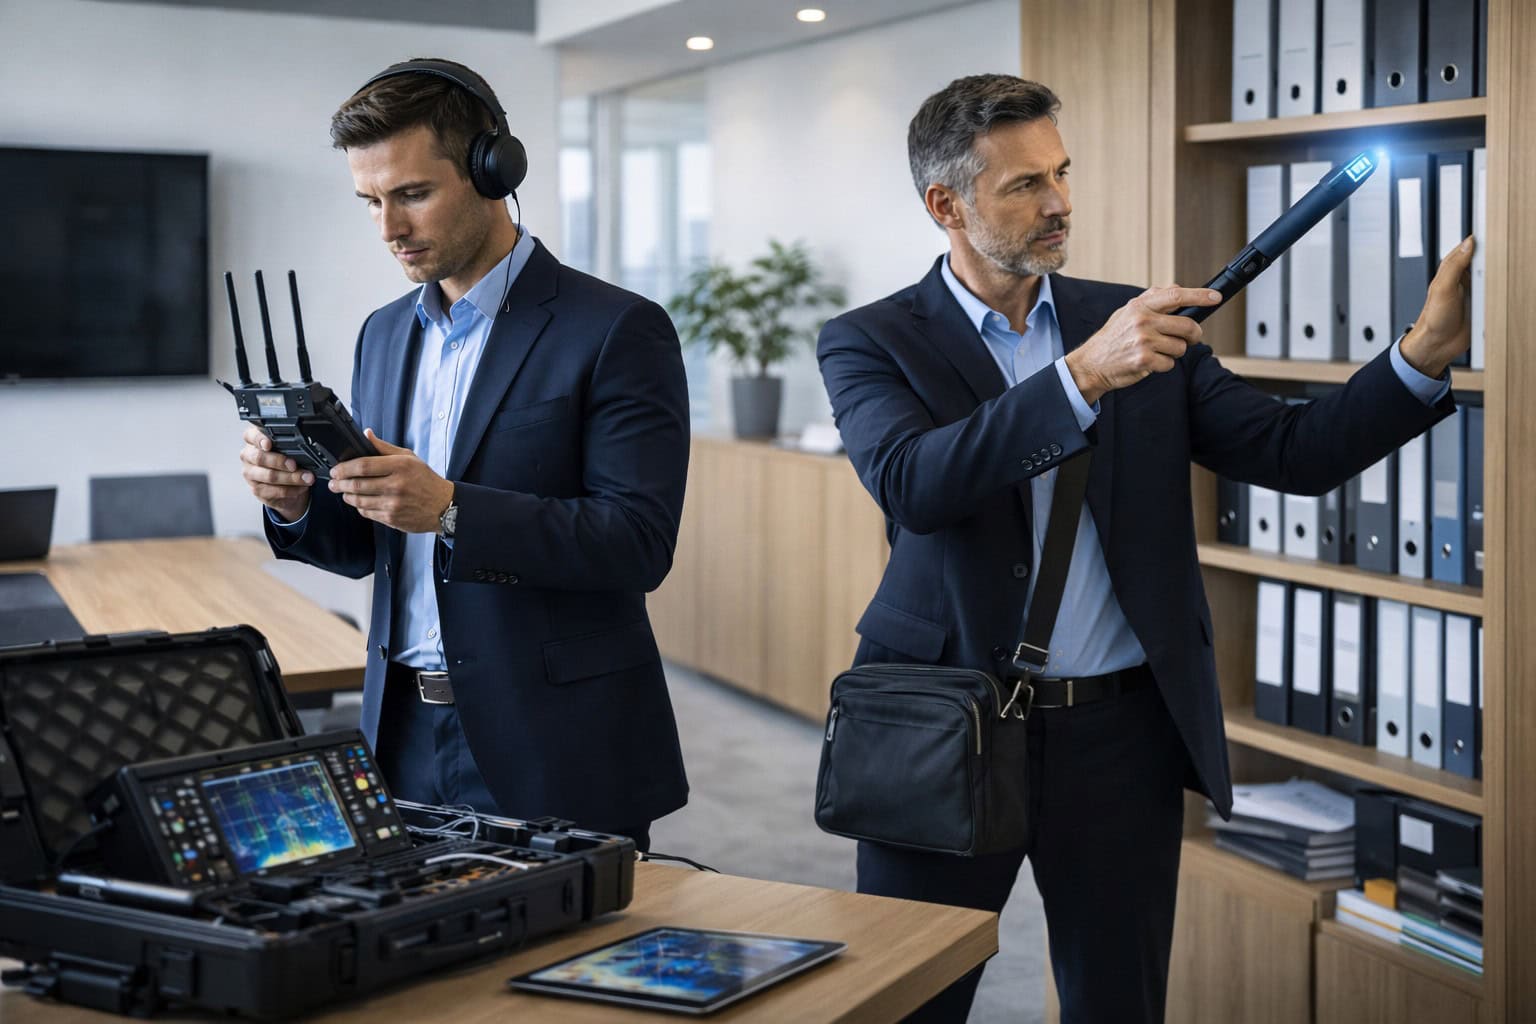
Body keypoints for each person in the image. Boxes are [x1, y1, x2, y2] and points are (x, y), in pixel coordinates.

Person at [816, 74, 1472, 1022]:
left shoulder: (1129, 320)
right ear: (944, 205)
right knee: (911, 998)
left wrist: (1419, 357)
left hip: (1118, 736)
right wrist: (1081, 376)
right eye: (1024, 185)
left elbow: (1292, 452)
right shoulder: (869, 341)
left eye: (1063, 173)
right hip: (942, 725)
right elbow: (915, 483)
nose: (1060, 203)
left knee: (1117, 1003)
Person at [238, 58, 689, 850]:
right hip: (399, 734)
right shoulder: (383, 333)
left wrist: (451, 509)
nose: (389, 229)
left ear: (493, 169)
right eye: (371, 202)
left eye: (412, 194)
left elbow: (637, 545)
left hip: (558, 742)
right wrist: (298, 503)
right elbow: (367, 546)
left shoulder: (618, 328)